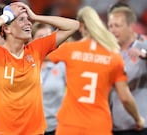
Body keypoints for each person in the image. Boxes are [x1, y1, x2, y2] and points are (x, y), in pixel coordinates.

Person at [0, 2, 79, 134]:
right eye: (21, 20)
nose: (29, 23)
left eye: (28, 20)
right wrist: (7, 15)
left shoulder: (36, 50)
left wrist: (36, 17)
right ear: (7, 29)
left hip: (34, 132)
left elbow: (73, 26)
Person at [47, 6, 145, 135]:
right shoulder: (114, 57)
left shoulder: (69, 50)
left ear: (81, 27)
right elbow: (125, 97)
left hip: (69, 125)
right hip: (99, 126)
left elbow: (42, 53)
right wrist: (138, 119)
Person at [108, 3, 147, 135]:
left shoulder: (144, 44)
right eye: (110, 26)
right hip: (117, 125)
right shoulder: (110, 51)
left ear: (131, 27)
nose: (113, 30)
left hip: (141, 125)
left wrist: (145, 56)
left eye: (117, 26)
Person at [32, 22, 66, 135]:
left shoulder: (62, 65)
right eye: (41, 37)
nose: (45, 41)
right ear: (31, 41)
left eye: (49, 37)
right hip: (33, 128)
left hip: (58, 127)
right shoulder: (26, 66)